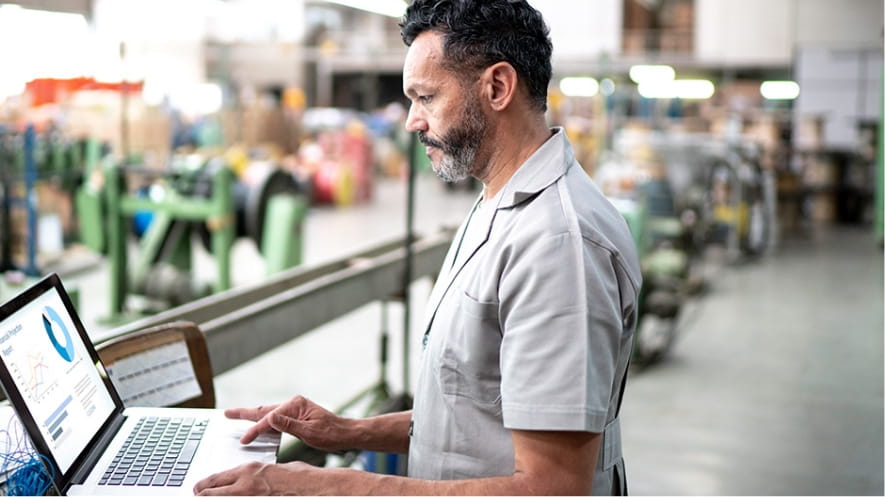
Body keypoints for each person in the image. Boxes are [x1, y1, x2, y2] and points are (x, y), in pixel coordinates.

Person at [194, 0, 641, 495]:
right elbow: (473, 410)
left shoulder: (559, 244)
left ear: (497, 87)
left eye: (426, 97)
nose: (412, 121)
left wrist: (320, 486)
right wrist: (347, 431)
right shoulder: (499, 200)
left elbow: (552, 487)